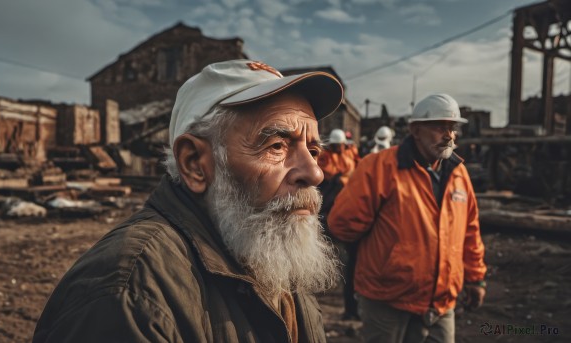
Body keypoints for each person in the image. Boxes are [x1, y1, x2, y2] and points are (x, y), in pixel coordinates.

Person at [33, 59, 344, 342]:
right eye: (277, 146)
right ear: (195, 163)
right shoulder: (129, 296)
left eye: (313, 151)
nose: (314, 173)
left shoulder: (270, 251)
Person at [328, 93, 487, 342]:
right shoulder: (379, 168)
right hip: (388, 300)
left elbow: (470, 230)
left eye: (452, 127)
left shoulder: (459, 173)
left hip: (441, 302)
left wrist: (476, 278)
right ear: (415, 130)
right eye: (438, 126)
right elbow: (343, 224)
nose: (449, 135)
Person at [317, 128, 359, 320]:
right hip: (332, 191)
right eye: (336, 145)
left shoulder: (350, 154)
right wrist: (339, 176)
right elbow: (325, 173)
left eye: (340, 145)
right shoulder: (327, 156)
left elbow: (353, 170)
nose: (338, 148)